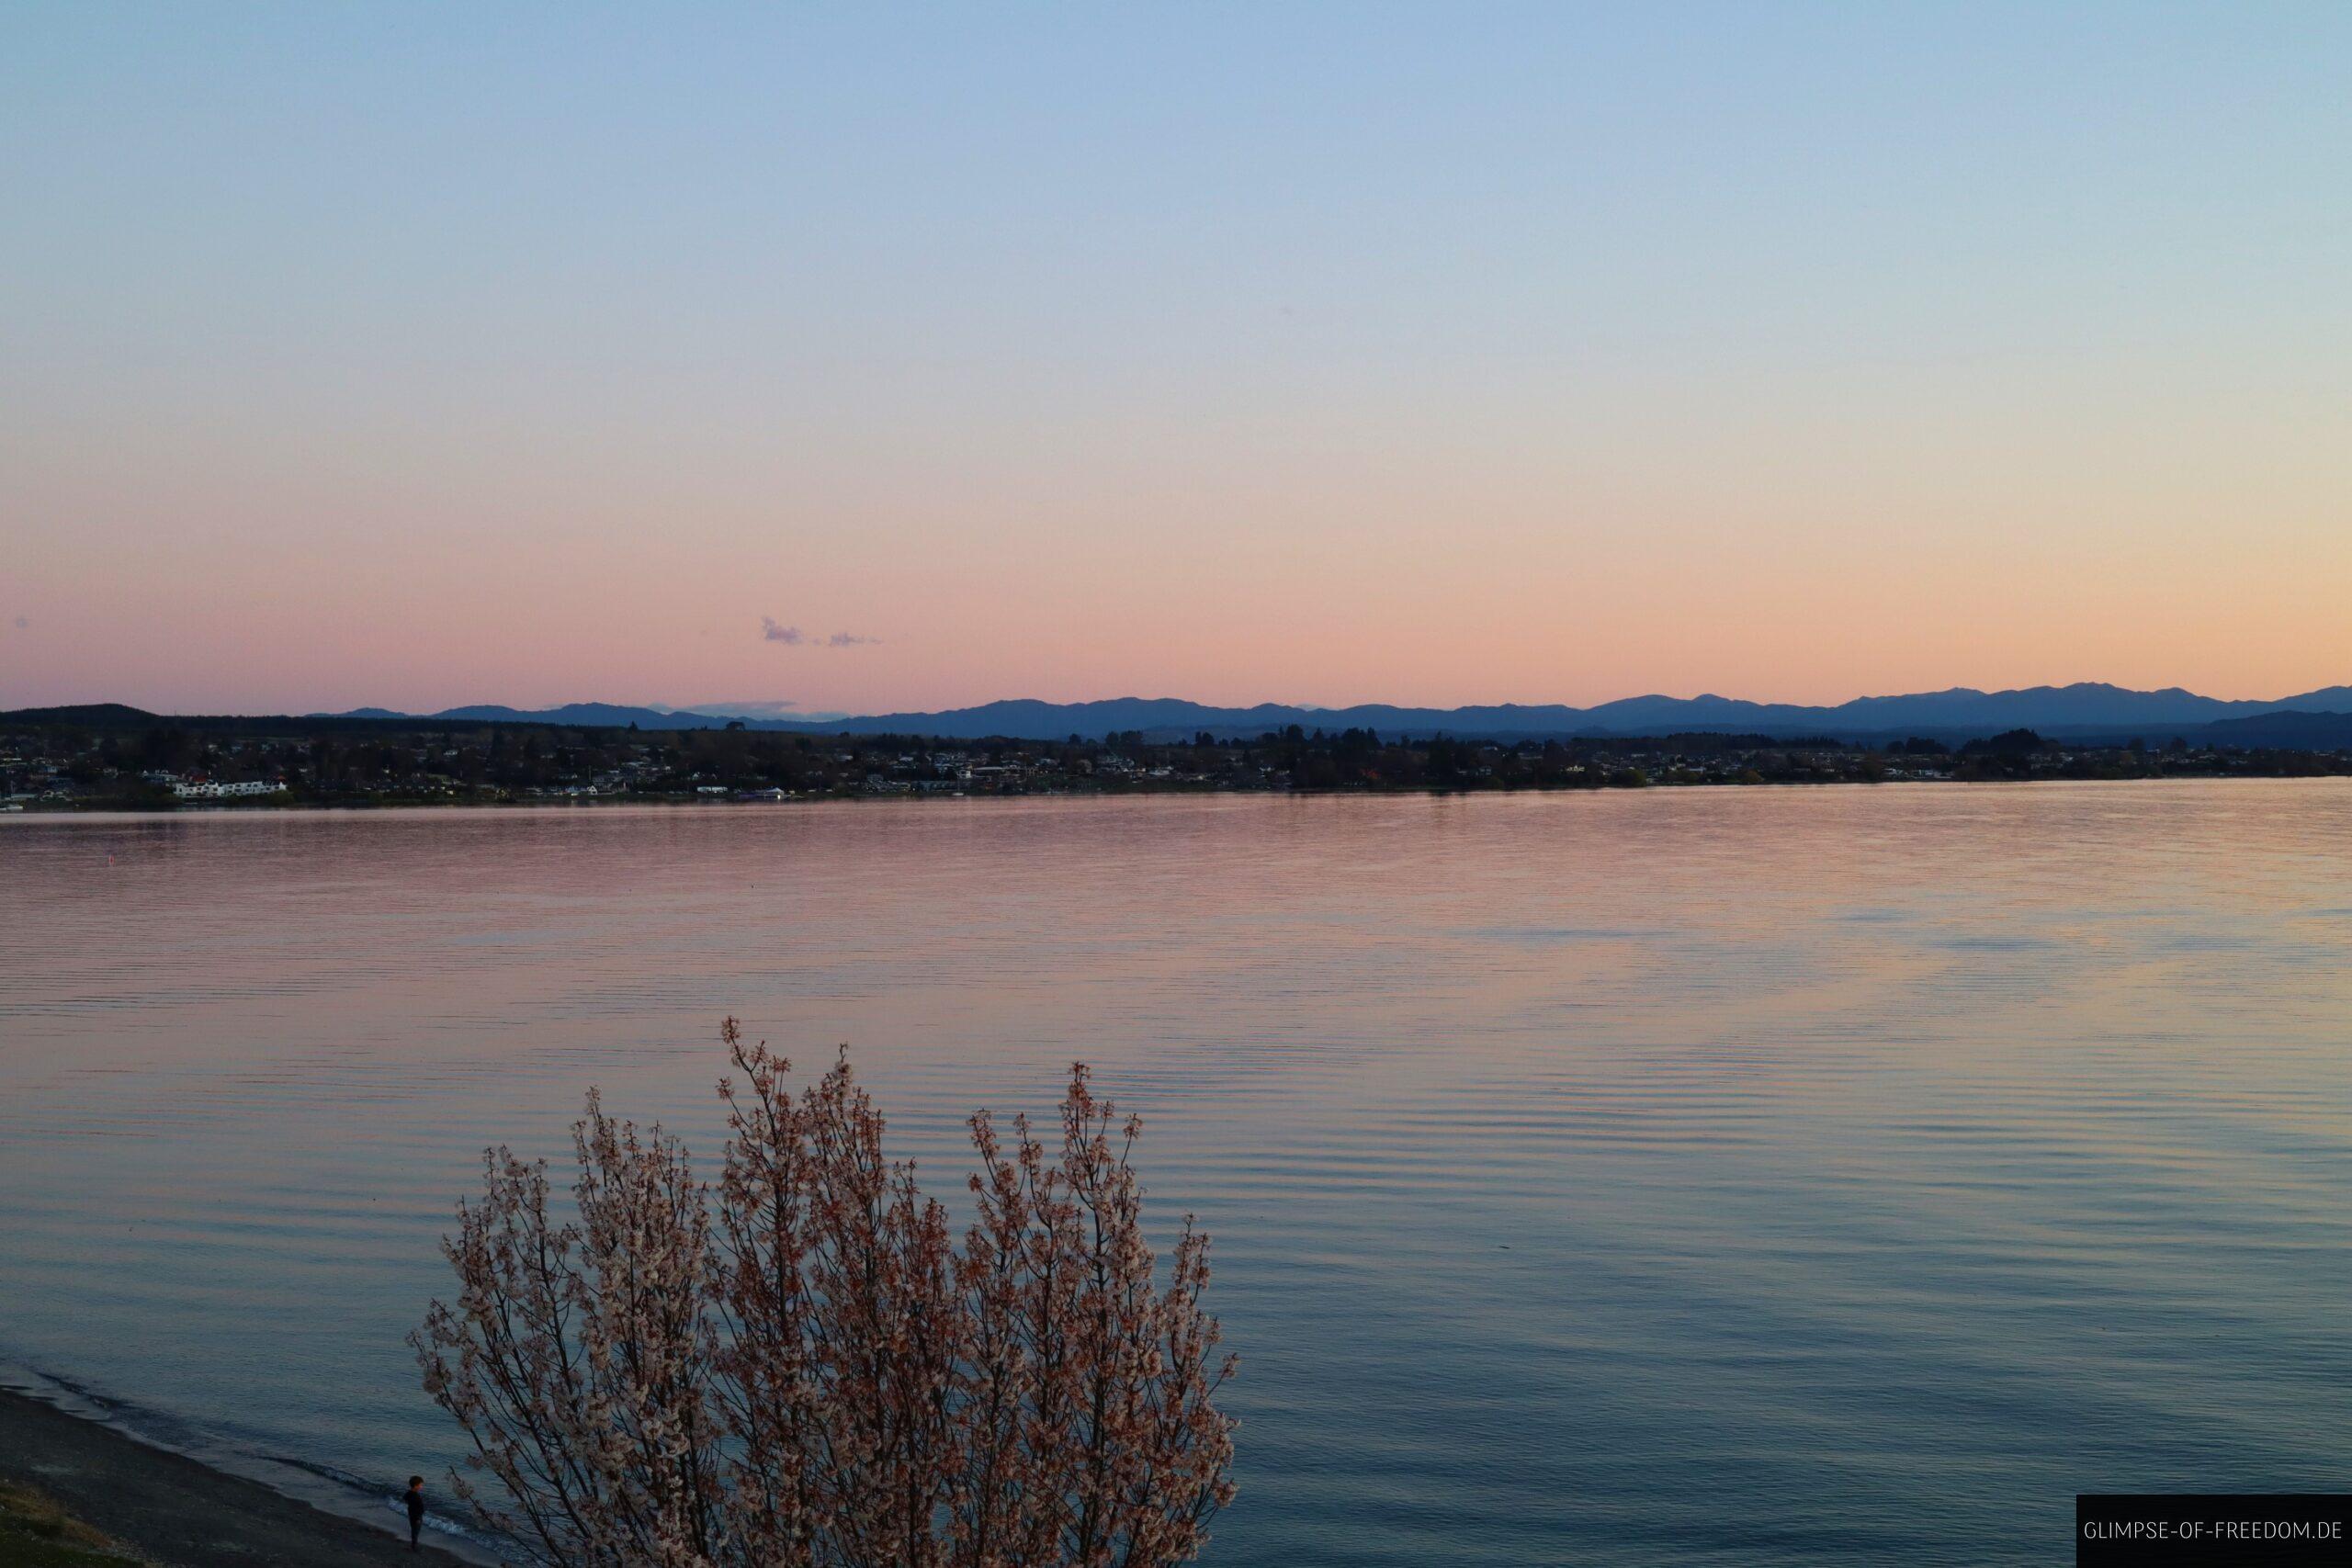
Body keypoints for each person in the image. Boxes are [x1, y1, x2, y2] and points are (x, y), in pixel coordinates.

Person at [404, 1476, 426, 1551]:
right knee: (416, 1531)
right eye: (420, 1485)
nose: (421, 1486)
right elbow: (421, 1508)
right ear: (416, 1486)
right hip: (417, 1516)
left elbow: (404, 1498)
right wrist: (418, 1518)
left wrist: (410, 1504)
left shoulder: (409, 1493)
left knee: (413, 1530)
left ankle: (413, 1545)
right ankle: (414, 1546)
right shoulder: (417, 1496)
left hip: (411, 1514)